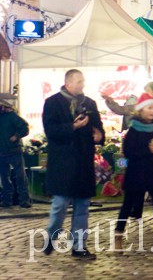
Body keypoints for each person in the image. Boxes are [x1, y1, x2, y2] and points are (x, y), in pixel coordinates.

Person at [42, 69, 105, 259]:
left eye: (83, 81)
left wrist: (99, 135)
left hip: (83, 163)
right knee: (60, 205)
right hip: (62, 163)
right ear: (68, 83)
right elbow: (51, 131)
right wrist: (73, 126)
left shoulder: (90, 104)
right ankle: (52, 235)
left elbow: (98, 129)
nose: (82, 85)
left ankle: (79, 247)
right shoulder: (53, 103)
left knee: (82, 207)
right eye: (78, 81)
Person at [114, 93, 153, 251]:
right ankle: (118, 236)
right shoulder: (133, 130)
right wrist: (148, 150)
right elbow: (128, 152)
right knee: (128, 205)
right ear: (141, 110)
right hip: (136, 173)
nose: (152, 111)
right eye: (149, 108)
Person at [0, 96, 31, 208]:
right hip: (3, 152)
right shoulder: (9, 116)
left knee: (19, 177)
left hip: (13, 151)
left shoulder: (12, 117)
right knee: (5, 178)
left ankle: (23, 201)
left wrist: (16, 136)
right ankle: (7, 201)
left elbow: (25, 128)